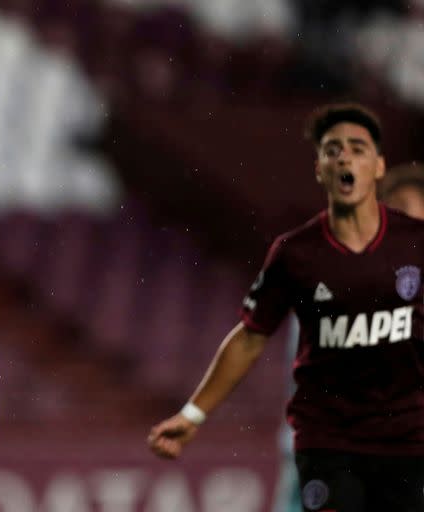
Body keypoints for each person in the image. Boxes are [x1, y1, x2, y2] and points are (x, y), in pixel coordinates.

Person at [148, 103, 424, 511]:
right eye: (332, 150)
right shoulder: (296, 255)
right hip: (330, 447)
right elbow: (249, 337)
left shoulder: (416, 243)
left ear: (378, 166)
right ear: (319, 169)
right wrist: (193, 413)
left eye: (357, 148)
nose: (344, 157)